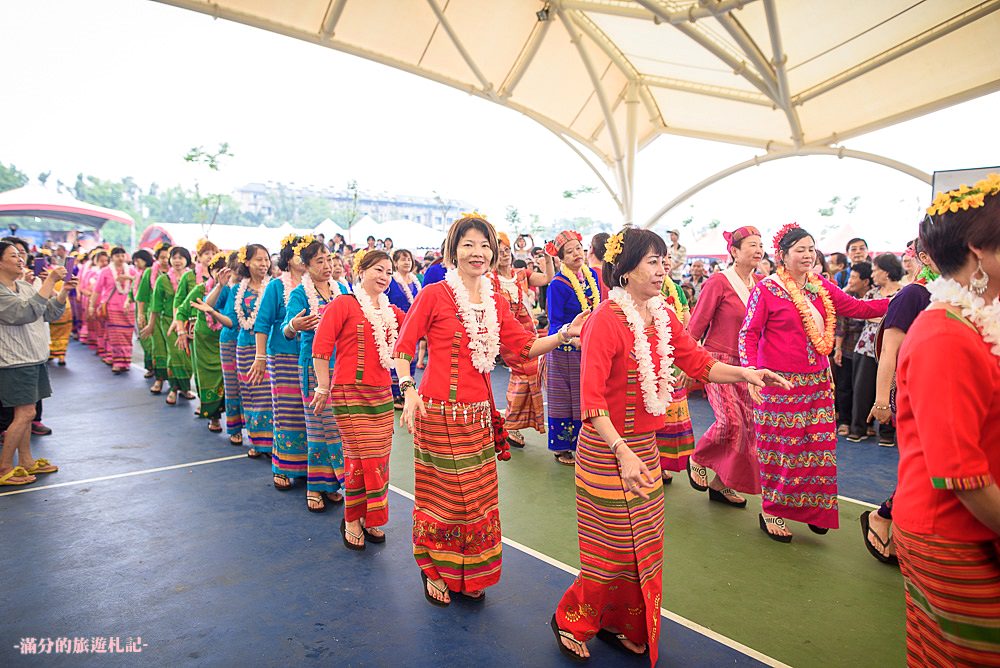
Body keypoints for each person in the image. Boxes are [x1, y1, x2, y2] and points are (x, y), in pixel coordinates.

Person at [551, 227, 790, 663]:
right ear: (625, 272)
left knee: (643, 545)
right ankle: (571, 618)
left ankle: (621, 622)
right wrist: (620, 451)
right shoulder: (606, 320)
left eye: (664, 261)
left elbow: (697, 362)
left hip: (641, 449)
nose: (663, 269)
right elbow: (591, 401)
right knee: (611, 549)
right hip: (606, 452)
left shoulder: (663, 316)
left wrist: (746, 373)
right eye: (653, 261)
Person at [394, 214, 587, 606]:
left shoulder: (497, 300)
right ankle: (434, 568)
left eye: (484, 245)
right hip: (438, 411)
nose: (477, 253)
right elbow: (403, 347)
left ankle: (469, 571)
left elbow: (523, 347)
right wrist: (409, 389)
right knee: (447, 497)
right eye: (468, 244)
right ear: (453, 251)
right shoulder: (434, 294)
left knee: (478, 500)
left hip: (479, 414)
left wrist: (564, 333)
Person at [893, 174, 1000, 666]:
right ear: (980, 251)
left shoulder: (979, 322)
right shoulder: (945, 335)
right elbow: (961, 473)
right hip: (956, 532)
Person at [740, 223, 888, 541]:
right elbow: (748, 333)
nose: (808, 255)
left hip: (818, 383)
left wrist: (900, 302)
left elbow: (857, 308)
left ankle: (812, 509)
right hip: (779, 385)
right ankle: (772, 511)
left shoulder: (820, 286)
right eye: (800, 250)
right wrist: (750, 371)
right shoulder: (767, 289)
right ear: (783, 255)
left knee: (819, 449)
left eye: (811, 248)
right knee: (783, 451)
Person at [313, 249, 402, 544]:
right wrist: (323, 387)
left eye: (389, 272)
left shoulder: (390, 311)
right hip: (349, 394)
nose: (384, 277)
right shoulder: (344, 304)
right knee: (360, 458)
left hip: (382, 396)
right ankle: (352, 518)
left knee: (379, 461)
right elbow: (321, 348)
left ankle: (370, 516)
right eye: (378, 269)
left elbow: (416, 325)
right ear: (360, 270)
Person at [860, 238, 939, 565]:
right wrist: (881, 400)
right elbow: (890, 352)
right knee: (929, 467)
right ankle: (883, 516)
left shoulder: (957, 293)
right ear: (923, 257)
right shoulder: (913, 294)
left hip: (941, 388)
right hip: (914, 392)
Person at [686, 226, 765, 506]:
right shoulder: (718, 282)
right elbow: (696, 326)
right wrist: (686, 364)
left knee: (750, 429)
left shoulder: (763, 283)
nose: (758, 250)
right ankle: (698, 457)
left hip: (750, 367)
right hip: (717, 362)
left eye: (760, 245)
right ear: (734, 251)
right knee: (731, 421)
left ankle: (721, 484)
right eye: (752, 245)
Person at [280, 239, 346, 513]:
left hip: (340, 365)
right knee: (318, 427)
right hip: (313, 368)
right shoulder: (299, 294)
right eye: (319, 261)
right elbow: (286, 329)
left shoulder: (341, 289)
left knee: (339, 428)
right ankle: (315, 486)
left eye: (329, 259)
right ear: (306, 266)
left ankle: (330, 484)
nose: (327, 266)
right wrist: (295, 324)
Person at [0, 241, 73, 486]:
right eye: (14, 256)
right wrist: (50, 280)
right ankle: (4, 467)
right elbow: (24, 314)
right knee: (26, 413)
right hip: (14, 360)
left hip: (33, 357)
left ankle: (27, 461)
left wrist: (62, 291)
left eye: (21, 255)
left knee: (25, 414)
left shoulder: (22, 285)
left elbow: (50, 313)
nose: (21, 259)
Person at [253, 235, 307, 490]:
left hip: (310, 357)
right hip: (282, 355)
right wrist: (260, 356)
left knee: (310, 413)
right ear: (288, 259)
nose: (303, 259)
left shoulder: (315, 286)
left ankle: (310, 467)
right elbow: (262, 323)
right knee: (286, 411)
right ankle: (283, 466)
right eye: (299, 254)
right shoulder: (276, 287)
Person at [545, 229, 600, 465]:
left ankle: (584, 443)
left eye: (579, 248)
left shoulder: (592, 278)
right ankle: (562, 448)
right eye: (570, 251)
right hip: (563, 350)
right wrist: (573, 337)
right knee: (563, 400)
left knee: (585, 396)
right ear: (561, 258)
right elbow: (554, 322)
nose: (577, 254)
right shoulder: (557, 285)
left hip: (587, 347)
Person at [494, 232, 554, 447]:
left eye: (506, 252)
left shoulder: (521, 274)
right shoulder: (489, 278)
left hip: (529, 331)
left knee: (529, 375)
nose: (504, 255)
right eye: (499, 252)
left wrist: (547, 258)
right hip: (508, 335)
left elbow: (547, 278)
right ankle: (510, 423)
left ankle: (513, 424)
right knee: (523, 373)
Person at [222, 244, 274, 458]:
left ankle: (272, 442)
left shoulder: (275, 286)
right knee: (251, 394)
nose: (264, 264)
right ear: (247, 262)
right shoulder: (237, 290)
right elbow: (232, 321)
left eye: (266, 259)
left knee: (270, 396)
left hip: (268, 348)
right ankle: (256, 440)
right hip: (244, 347)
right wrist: (211, 312)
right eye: (258, 260)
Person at [847, 253, 903, 444]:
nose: (872, 274)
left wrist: (879, 318)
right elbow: (861, 313)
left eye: (875, 270)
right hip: (865, 348)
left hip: (893, 349)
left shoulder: (904, 293)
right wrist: (888, 319)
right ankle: (858, 428)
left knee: (891, 388)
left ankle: (887, 433)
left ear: (886, 272)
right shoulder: (872, 293)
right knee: (861, 389)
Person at [178, 250, 227, 434]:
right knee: (206, 378)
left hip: (226, 341)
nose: (223, 274)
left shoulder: (235, 291)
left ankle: (232, 420)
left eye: (227, 270)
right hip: (204, 343)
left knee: (227, 379)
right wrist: (181, 332)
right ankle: (213, 417)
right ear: (211, 271)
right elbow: (182, 310)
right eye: (218, 270)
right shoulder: (200, 289)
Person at [204, 250, 244, 446]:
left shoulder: (259, 286)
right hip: (230, 341)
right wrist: (219, 285)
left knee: (253, 388)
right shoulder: (228, 288)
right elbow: (208, 304)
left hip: (252, 342)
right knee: (232, 387)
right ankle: (235, 428)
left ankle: (255, 431)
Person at [833, 262, 872, 436]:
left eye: (854, 277)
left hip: (870, 351)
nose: (850, 280)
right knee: (844, 386)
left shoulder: (874, 295)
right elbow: (841, 326)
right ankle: (845, 421)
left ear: (866, 281)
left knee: (866, 388)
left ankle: (867, 422)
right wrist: (838, 349)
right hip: (848, 348)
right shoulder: (847, 296)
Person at [386, 249, 422, 409]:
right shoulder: (391, 281)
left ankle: (407, 391)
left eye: (408, 259)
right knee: (397, 358)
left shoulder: (415, 281)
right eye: (402, 260)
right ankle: (395, 395)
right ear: (395, 263)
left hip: (412, 325)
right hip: (395, 325)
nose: (407, 262)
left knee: (411, 357)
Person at [94, 247, 137, 374]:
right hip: (112, 307)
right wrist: (91, 306)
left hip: (129, 308)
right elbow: (97, 290)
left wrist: (128, 278)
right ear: (112, 257)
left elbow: (139, 284)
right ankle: (118, 361)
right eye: (117, 255)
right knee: (116, 336)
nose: (120, 258)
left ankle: (126, 360)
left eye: (122, 255)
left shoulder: (132, 271)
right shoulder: (105, 271)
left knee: (127, 335)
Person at [129, 249, 154, 378]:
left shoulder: (151, 272)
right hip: (140, 309)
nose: (136, 263)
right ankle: (150, 366)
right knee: (144, 339)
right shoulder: (139, 274)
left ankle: (154, 367)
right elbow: (133, 291)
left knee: (150, 340)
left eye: (138, 260)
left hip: (149, 308)